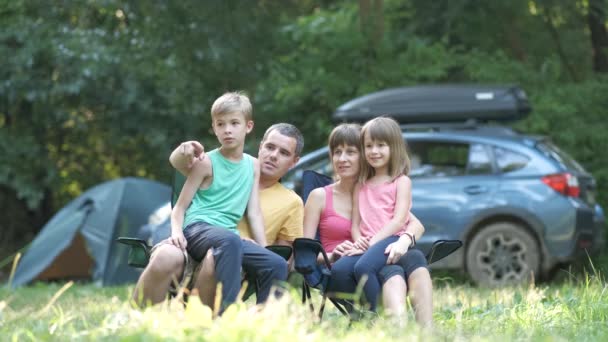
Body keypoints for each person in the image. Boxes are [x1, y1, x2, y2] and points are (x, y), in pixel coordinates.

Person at [134, 92, 287, 313]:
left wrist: (263, 249)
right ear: (214, 128)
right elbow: (180, 207)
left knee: (276, 264)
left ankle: (267, 320)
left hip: (226, 238)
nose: (227, 130)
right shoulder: (206, 162)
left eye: (234, 123)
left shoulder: (253, 165)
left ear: (248, 126)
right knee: (231, 240)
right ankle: (227, 313)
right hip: (197, 229)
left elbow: (253, 212)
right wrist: (176, 232)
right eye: (220, 124)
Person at [325, 119, 431, 322]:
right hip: (368, 246)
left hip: (391, 239)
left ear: (394, 147)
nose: (374, 151)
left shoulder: (401, 182)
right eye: (369, 146)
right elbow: (356, 223)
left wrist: (371, 243)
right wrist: (360, 242)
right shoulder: (361, 185)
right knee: (342, 269)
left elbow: (400, 220)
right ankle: (362, 315)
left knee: (363, 268)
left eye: (381, 145)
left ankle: (376, 316)